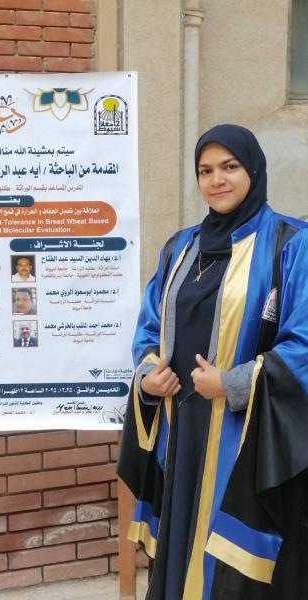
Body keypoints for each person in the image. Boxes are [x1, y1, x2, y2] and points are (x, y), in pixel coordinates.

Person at [117, 124, 308, 600]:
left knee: (232, 566)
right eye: (205, 171)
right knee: (180, 543)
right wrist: (148, 375)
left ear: (254, 171)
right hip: (182, 430)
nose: (216, 180)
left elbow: (303, 342)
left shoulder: (291, 244)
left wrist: (234, 383)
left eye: (230, 167)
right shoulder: (179, 247)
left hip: (246, 437)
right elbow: (149, 327)